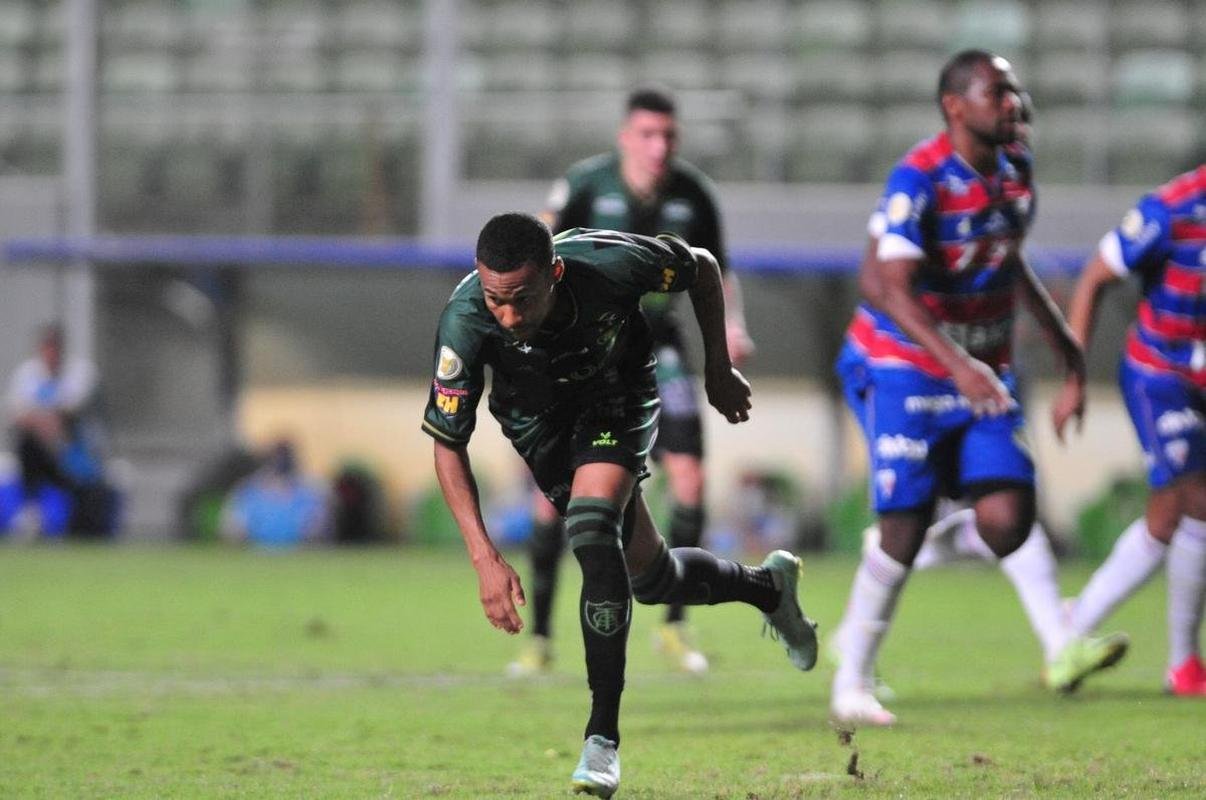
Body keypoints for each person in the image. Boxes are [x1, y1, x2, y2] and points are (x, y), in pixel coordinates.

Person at [423, 213, 816, 798]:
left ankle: (601, 739)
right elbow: (448, 446)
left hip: (618, 399)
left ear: (555, 273)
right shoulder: (465, 320)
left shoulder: (610, 261)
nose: (507, 316)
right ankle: (767, 589)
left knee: (589, 529)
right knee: (653, 578)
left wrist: (716, 367)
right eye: (495, 299)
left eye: (522, 299)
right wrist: (483, 556)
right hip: (541, 429)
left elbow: (701, 268)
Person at [828, 50, 1127, 727]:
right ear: (955, 107)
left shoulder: (1017, 171)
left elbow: (1004, 256)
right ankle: (851, 682)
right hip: (902, 363)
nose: (1014, 101)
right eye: (998, 91)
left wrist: (1064, 343)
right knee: (901, 521)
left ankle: (938, 543)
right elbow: (883, 286)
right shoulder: (919, 178)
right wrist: (957, 363)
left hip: (984, 367)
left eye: (1016, 89)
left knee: (1008, 518)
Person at [509, 86, 754, 677]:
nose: (659, 146)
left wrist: (733, 329)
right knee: (553, 500)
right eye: (647, 135)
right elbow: (537, 256)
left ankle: (673, 628)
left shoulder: (695, 194)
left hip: (659, 345)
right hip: (587, 348)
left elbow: (717, 272)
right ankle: (539, 638)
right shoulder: (586, 186)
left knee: (690, 477)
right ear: (625, 138)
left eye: (668, 136)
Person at [1053, 165, 1206, 697]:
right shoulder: (1173, 210)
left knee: (1165, 520)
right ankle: (1185, 665)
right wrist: (1074, 378)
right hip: (1158, 376)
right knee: (1197, 500)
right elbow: (1096, 276)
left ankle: (1073, 622)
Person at [6, 323, 116, 536]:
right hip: (41, 453)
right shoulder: (27, 373)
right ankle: (31, 511)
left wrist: (44, 418)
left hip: (76, 455)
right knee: (26, 443)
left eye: (55, 347)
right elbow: (16, 414)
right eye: (47, 348)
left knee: (86, 528)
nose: (51, 354)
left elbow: (71, 409)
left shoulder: (81, 371)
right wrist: (44, 423)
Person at [221, 438, 330, 547]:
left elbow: (317, 528)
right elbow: (232, 528)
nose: (279, 462)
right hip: (255, 552)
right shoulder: (248, 491)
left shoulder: (309, 492)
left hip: (298, 552)